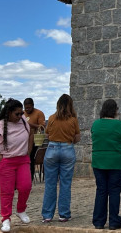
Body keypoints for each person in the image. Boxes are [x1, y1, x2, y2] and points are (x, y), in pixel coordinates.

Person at [0, 99, 32, 233]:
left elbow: (31, 133)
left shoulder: (23, 122)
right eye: (17, 113)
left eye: (21, 113)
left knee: (26, 186)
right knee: (7, 192)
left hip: (22, 160)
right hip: (6, 162)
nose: (20, 115)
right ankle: (5, 218)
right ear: (9, 113)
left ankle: (21, 210)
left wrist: (29, 149)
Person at [91, 99, 121, 230]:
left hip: (99, 161)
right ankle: (114, 221)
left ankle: (98, 221)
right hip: (117, 161)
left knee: (101, 191)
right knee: (114, 191)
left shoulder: (96, 124)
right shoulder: (119, 125)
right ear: (115, 110)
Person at [42, 94, 81, 223]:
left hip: (52, 149)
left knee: (50, 184)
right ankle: (64, 214)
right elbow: (77, 138)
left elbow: (47, 135)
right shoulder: (73, 120)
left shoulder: (52, 118)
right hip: (67, 149)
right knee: (65, 184)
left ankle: (47, 214)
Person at [24, 98, 46, 179]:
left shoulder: (39, 113)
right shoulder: (22, 113)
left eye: (29, 108)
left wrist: (29, 124)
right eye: (26, 108)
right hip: (24, 140)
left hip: (35, 140)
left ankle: (30, 177)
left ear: (33, 106)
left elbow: (42, 127)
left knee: (31, 158)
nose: (27, 110)